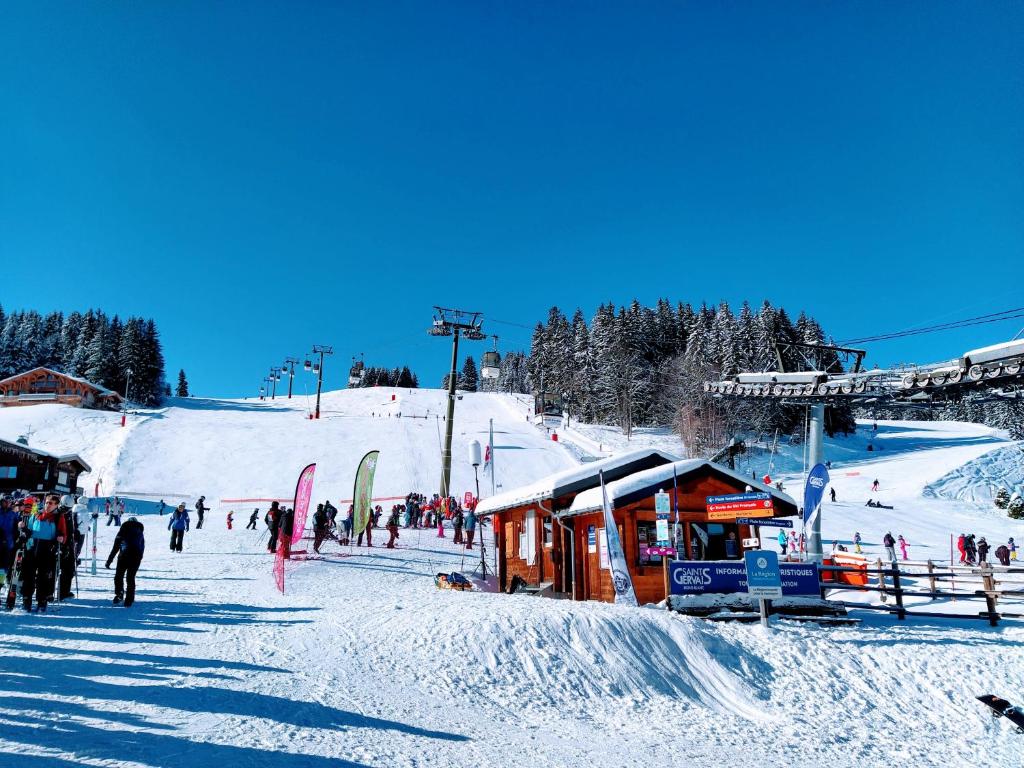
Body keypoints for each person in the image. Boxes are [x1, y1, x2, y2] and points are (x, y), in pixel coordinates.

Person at [21, 494, 67, 612]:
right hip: (33, 547)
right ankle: (27, 600)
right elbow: (29, 530)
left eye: (51, 503)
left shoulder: (58, 517)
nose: (47, 505)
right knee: (28, 575)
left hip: (47, 548)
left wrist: (61, 538)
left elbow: (63, 533)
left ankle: (42, 601)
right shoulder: (37, 515)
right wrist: (23, 528)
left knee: (43, 577)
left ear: (56, 505)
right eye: (46, 502)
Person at [106, 516, 144, 607]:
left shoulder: (123, 529)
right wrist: (138, 558)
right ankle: (129, 600)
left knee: (119, 576)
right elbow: (142, 548)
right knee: (130, 578)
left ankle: (119, 594)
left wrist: (109, 560)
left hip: (124, 556)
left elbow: (116, 547)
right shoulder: (140, 533)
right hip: (136, 557)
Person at [0, 496, 19, 584]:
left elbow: (17, 528)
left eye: (7, 502)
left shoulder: (13, 515)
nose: (5, 503)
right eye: (4, 501)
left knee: (3, 568)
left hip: (8, 545)